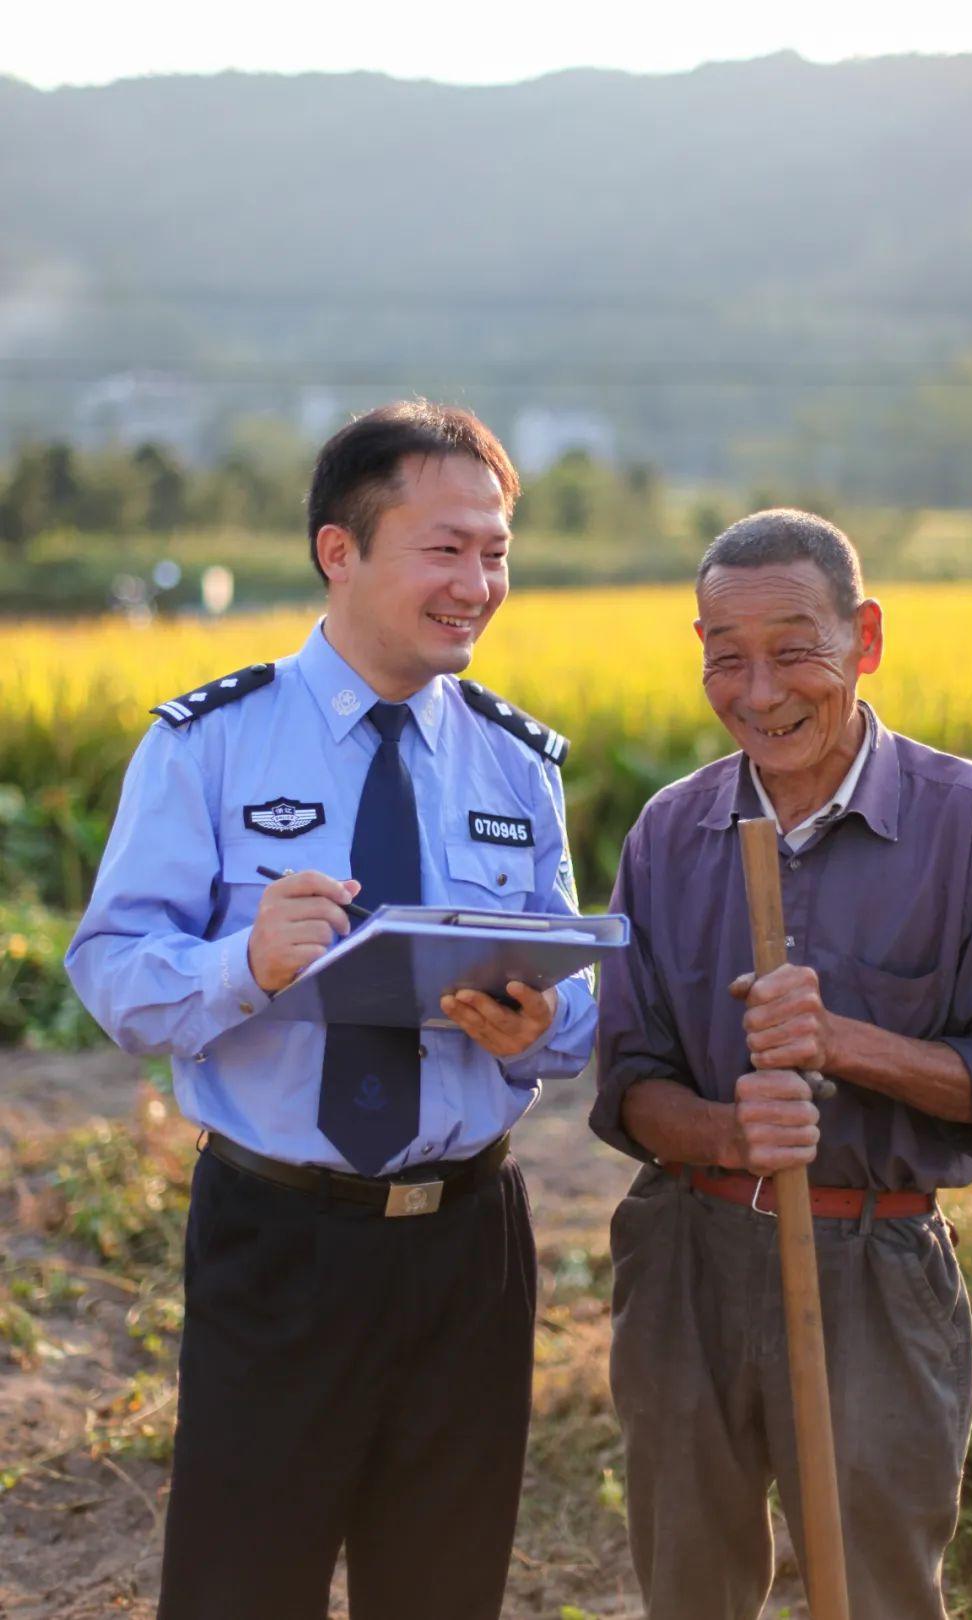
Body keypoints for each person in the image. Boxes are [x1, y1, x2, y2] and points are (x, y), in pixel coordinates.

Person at [66, 401, 597, 1620]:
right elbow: (110, 970)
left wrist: (543, 1028)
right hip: (283, 1239)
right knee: (241, 1589)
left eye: (497, 551)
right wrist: (240, 966)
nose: (479, 583)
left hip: (471, 1242)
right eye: (446, 549)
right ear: (338, 550)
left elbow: (567, 1000)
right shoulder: (212, 743)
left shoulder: (517, 764)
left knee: (444, 1591)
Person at [590, 509, 972, 1620]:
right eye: (725, 657)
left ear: (868, 639)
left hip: (875, 1259)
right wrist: (723, 1133)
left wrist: (842, 1042)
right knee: (687, 1579)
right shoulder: (668, 832)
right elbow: (627, 1081)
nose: (760, 693)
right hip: (687, 1258)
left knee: (881, 1587)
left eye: (796, 651)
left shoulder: (970, 822)